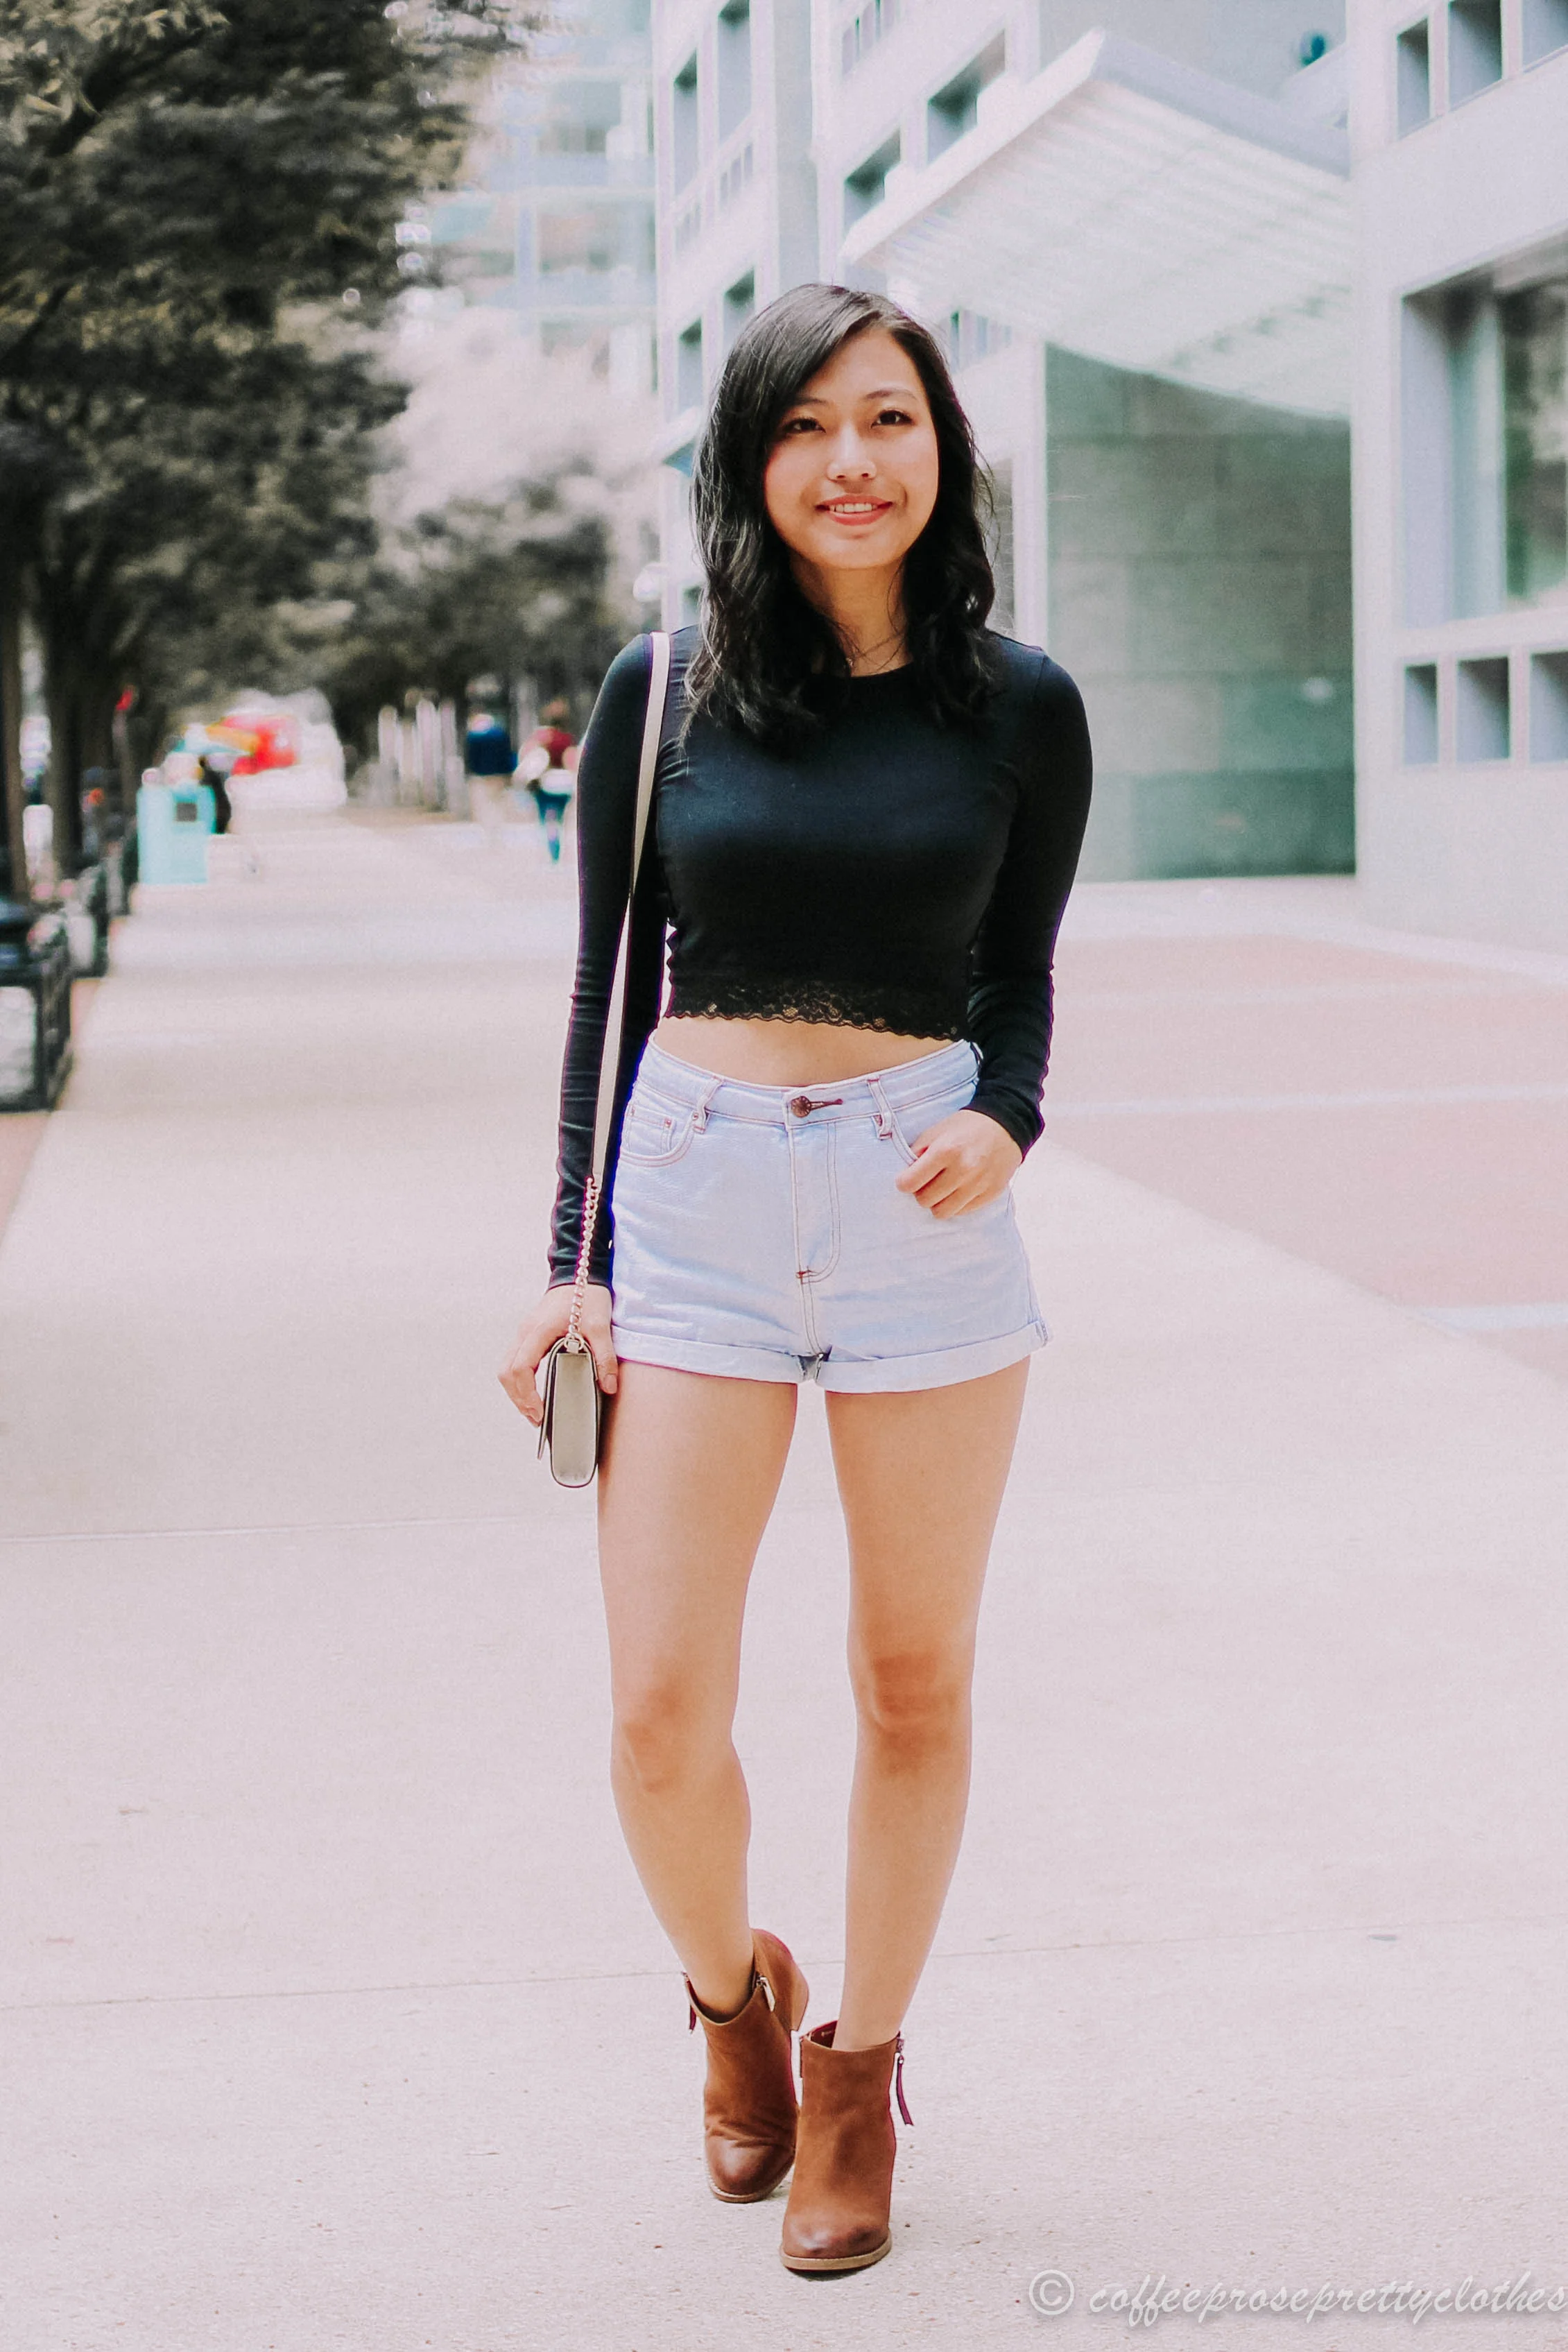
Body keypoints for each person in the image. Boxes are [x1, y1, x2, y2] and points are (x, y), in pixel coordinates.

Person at [499, 285, 1092, 2276]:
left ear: (942, 448)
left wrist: (1006, 1116)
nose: (855, 459)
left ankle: (856, 2072)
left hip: (923, 1205)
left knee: (910, 1681)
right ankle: (729, 1990)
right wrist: (569, 1264)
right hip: (690, 1211)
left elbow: (1018, 969)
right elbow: (605, 989)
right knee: (660, 1714)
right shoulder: (660, 687)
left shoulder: (1017, 703)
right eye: (809, 425)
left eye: (891, 419)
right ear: (750, 460)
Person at [515, 698, 578, 863]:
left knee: (546, 816)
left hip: (545, 783)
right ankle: (558, 840)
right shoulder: (568, 739)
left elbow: (527, 757)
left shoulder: (541, 737)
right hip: (564, 784)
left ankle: (551, 841)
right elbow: (571, 761)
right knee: (560, 816)